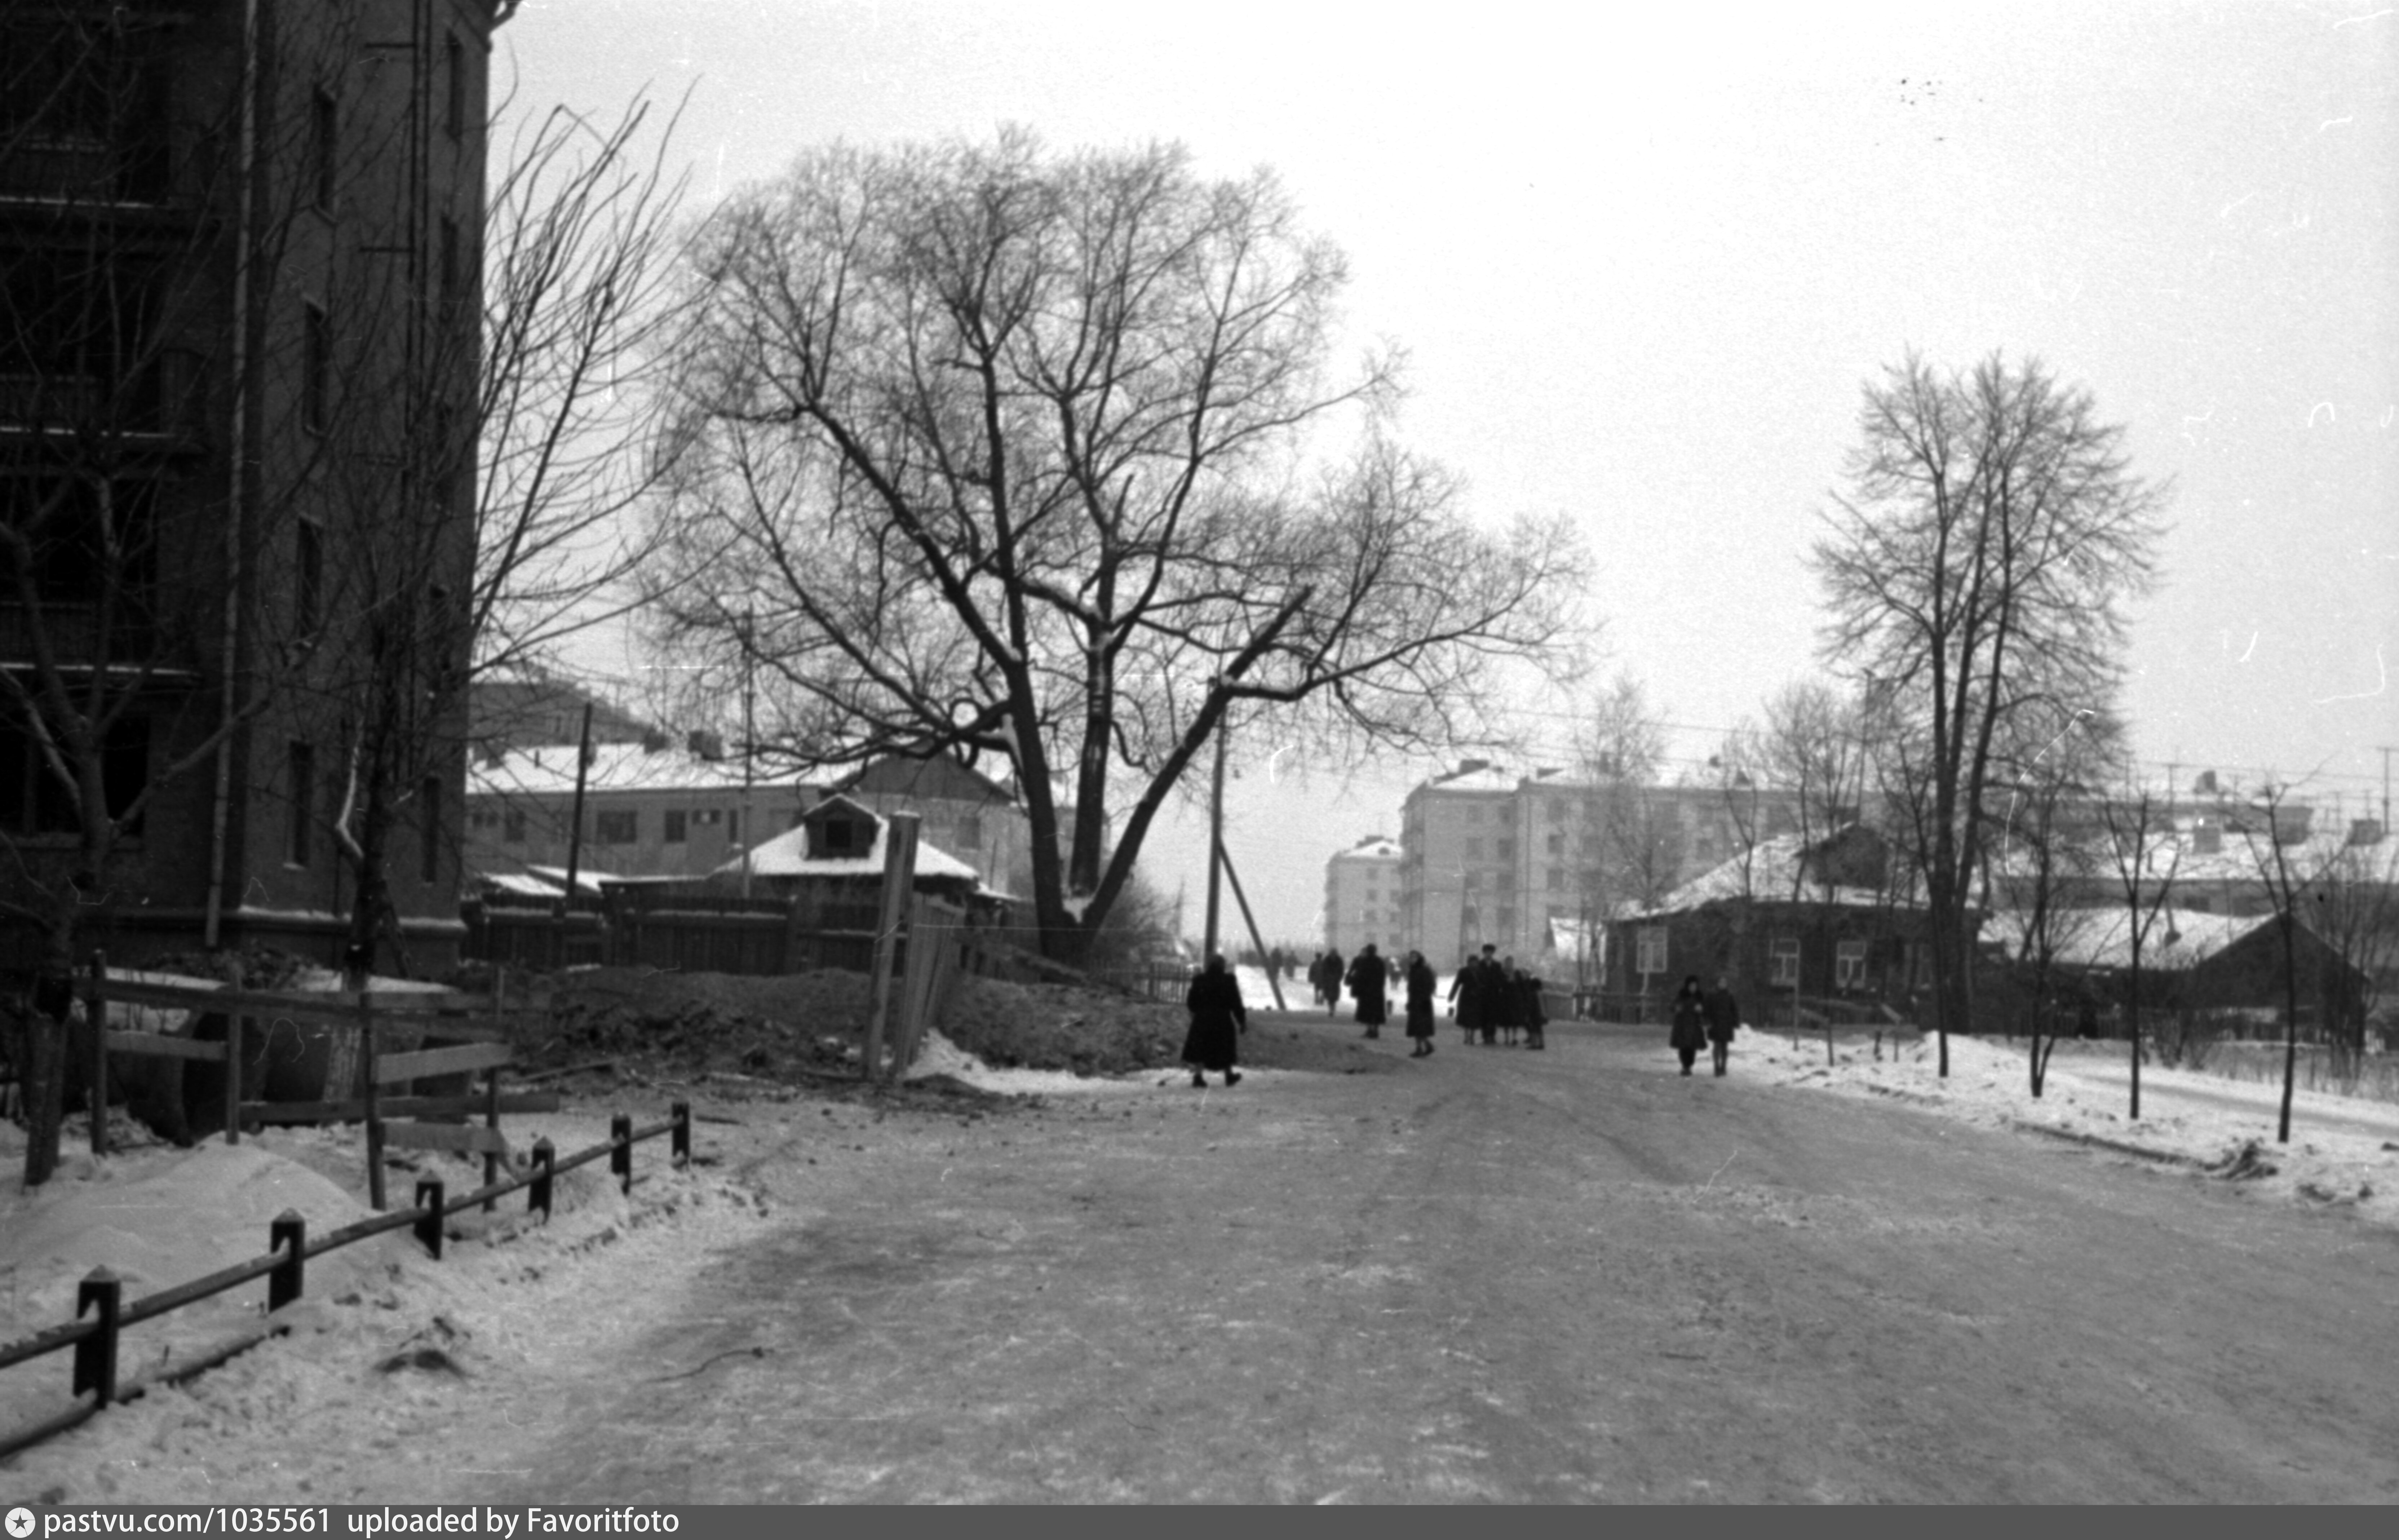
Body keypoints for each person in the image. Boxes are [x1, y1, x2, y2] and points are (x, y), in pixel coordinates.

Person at [1182, 954, 1247, 1088]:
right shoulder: (1228, 981)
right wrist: (1242, 1021)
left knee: (1201, 1048)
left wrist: (1196, 1013)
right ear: (1222, 966)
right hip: (1222, 1020)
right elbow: (1236, 1003)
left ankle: (1198, 1077)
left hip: (1202, 1020)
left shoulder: (1199, 980)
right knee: (1225, 1047)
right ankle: (1229, 1075)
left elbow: (1191, 1002)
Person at [1347, 943, 1390, 1039]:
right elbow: (1383, 977)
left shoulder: (1364, 962)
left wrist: (1355, 985)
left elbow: (1360, 977)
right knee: (1376, 1012)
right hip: (1377, 992)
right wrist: (1380, 987)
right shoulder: (1380, 962)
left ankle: (1370, 1030)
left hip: (1366, 992)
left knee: (1367, 1012)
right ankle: (1376, 1030)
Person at [1702, 974, 1741, 1076]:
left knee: (1725, 1047)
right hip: (1715, 1024)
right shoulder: (1711, 995)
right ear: (1717, 983)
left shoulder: (1729, 995)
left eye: (1725, 982)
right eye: (1721, 982)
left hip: (1727, 1024)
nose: (1723, 984)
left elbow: (1734, 1009)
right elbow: (1706, 1010)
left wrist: (1736, 1022)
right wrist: (1707, 1022)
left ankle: (1723, 1067)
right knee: (1717, 1045)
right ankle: (1716, 1067)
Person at [1668, 974, 1707, 1076]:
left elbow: (1706, 1010)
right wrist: (1677, 1008)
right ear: (1687, 986)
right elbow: (1672, 1006)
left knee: (1692, 1048)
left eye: (1695, 986)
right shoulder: (1681, 996)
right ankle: (1685, 1066)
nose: (1693, 988)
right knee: (1683, 1048)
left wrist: (1702, 1010)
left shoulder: (1700, 997)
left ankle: (1689, 1066)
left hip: (1695, 1026)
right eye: (1691, 986)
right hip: (1682, 1026)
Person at [1404, 949, 1437, 1057]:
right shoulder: (1412, 970)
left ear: (1419, 958)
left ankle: (1425, 1047)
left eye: (1414, 957)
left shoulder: (1425, 970)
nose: (1412, 959)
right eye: (1411, 957)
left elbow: (1430, 986)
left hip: (1423, 1002)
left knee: (1420, 1027)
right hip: (1414, 1001)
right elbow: (1411, 988)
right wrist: (1410, 1001)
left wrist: (1424, 998)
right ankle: (1423, 1047)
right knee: (1416, 1027)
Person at [1448, 951, 1484, 1045]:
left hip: (1477, 997)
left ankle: (1472, 1037)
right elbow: (1457, 984)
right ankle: (1467, 1036)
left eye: (1476, 962)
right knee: (1466, 1019)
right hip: (1466, 997)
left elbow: (1484, 984)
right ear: (1469, 963)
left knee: (1474, 1019)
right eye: (1472, 962)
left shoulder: (1480, 972)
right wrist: (1452, 995)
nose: (1474, 964)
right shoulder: (1463, 972)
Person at [1516, 961, 1548, 1050]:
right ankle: (1541, 1043)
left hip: (1534, 1015)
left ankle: (1534, 1044)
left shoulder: (1532, 994)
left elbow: (1530, 1006)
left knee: (1534, 1030)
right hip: (1541, 1015)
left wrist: (1527, 1014)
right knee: (1540, 1030)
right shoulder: (1541, 993)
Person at [1320, 947, 1345, 1018]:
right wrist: (1325, 979)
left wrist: (1339, 978)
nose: (1333, 954)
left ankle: (1332, 1009)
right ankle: (1331, 1009)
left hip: (1335, 981)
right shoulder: (1327, 960)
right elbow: (1324, 970)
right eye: (1332, 953)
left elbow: (1341, 970)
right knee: (1329, 997)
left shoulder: (1339, 960)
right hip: (1328, 981)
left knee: (1334, 997)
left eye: (1334, 953)